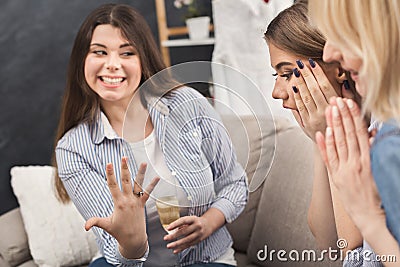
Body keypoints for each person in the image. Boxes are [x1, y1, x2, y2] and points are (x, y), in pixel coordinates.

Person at [53, 3, 247, 267]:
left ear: (142, 60)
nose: (112, 65)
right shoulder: (73, 149)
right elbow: (117, 252)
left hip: (206, 257)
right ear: (82, 62)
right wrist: (130, 239)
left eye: (127, 53)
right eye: (99, 52)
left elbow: (235, 183)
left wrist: (208, 223)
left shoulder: (188, 104)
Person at [263, 1, 382, 265]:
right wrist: (323, 139)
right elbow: (328, 244)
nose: (276, 92)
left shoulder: (384, 132)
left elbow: (353, 254)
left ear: (337, 64)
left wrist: (331, 131)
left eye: (287, 73)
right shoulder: (351, 125)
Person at [308, 0, 400, 266]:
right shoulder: (379, 128)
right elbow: (331, 247)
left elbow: (344, 253)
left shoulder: (388, 146)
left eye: (341, 33)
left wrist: (368, 217)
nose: (329, 53)